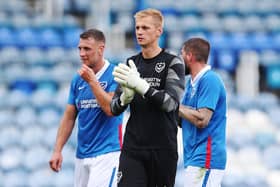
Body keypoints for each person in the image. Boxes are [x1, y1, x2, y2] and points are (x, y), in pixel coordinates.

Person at [110, 8, 185, 187]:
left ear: (159, 31)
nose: (139, 32)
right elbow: (113, 108)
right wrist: (124, 99)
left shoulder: (173, 62)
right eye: (137, 28)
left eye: (145, 28)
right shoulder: (131, 63)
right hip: (133, 148)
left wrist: (142, 87)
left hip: (163, 149)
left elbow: (170, 103)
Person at [49, 28, 123, 187]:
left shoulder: (116, 74)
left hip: (107, 154)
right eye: (80, 49)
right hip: (81, 156)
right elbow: (69, 116)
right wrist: (57, 150)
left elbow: (111, 109)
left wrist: (92, 82)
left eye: (87, 49)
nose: (82, 53)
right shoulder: (78, 79)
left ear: (101, 49)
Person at [179, 38, 227, 187]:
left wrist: (172, 104)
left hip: (206, 156)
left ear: (190, 56)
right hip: (194, 157)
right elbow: (183, 119)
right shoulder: (191, 84)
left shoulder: (210, 79)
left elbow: (202, 119)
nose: (179, 60)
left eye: (181, 54)